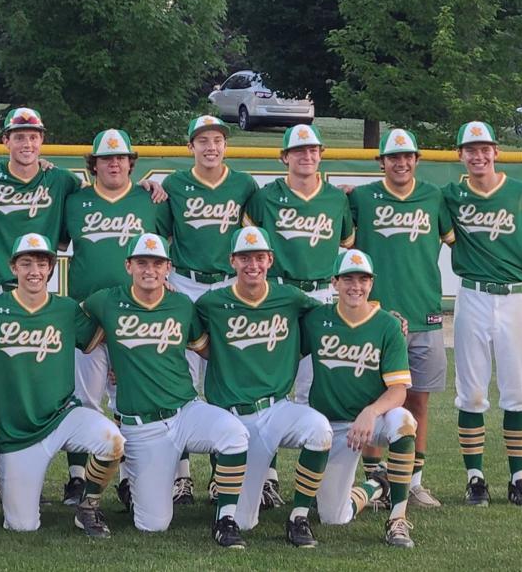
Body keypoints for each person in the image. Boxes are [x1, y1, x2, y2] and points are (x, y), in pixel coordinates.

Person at [0, 233, 125, 538]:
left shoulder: (66, 309)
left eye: (42, 264)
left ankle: (88, 505)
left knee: (113, 442)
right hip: (18, 435)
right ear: (13, 267)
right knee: (22, 526)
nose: (34, 270)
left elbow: (99, 338)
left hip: (63, 416)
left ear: (51, 269)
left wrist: (120, 364)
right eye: (26, 262)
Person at [80, 233, 249, 548]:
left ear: (168, 268)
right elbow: (79, 325)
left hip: (186, 410)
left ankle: (225, 518)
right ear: (128, 265)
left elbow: (206, 348)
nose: (150, 270)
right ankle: (99, 495)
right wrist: (113, 359)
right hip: (143, 426)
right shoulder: (106, 300)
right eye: (142, 262)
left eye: (157, 263)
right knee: (153, 525)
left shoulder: (181, 303)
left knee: (234, 433)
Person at [0, 108, 82, 506]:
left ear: (42, 141)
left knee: (55, 386)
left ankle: (77, 477)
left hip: (39, 294)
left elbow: (84, 214)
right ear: (6, 141)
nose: (27, 143)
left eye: (33, 136)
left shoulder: (61, 179)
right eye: (19, 135)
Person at [191, 226, 332, 547]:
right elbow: (173, 334)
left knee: (319, 429)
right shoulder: (211, 302)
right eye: (244, 258)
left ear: (270, 259)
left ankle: (299, 517)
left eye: (258, 257)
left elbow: (332, 320)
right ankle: (226, 516)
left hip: (276, 408)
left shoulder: (290, 297)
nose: (252, 264)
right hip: (232, 415)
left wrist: (386, 316)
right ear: (232, 261)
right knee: (244, 521)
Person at [445, 121, 522, 507]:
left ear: (496, 151)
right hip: (472, 296)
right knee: (471, 394)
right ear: (460, 154)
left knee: (516, 394)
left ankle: (518, 479)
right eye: (470, 149)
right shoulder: (451, 195)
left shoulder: (521, 193)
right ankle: (475, 478)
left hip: (515, 300)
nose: (478, 155)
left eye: (485, 148)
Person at [243, 123, 352, 505]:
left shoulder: (336, 199)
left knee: (313, 387)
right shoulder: (265, 197)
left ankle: (313, 484)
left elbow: (346, 243)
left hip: (322, 293)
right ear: (284, 157)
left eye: (313, 150)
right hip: (281, 295)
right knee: (270, 384)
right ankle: (267, 475)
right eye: (299, 151)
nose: (307, 156)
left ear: (321, 155)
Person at [61, 128, 170, 505]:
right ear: (93, 165)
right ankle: (78, 477)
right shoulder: (74, 202)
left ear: (131, 163)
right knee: (83, 400)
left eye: (121, 157)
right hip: (87, 313)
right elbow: (58, 243)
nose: (114, 163)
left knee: (131, 401)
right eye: (106, 158)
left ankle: (129, 478)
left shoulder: (150, 199)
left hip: (137, 315)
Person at [347, 128, 452, 508]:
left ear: (416, 161)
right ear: (381, 162)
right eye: (394, 157)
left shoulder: (433, 197)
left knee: (418, 401)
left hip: (424, 312)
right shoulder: (361, 198)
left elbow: (457, 239)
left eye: (408, 157)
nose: (401, 163)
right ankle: (375, 479)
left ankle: (413, 480)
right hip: (376, 316)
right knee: (376, 397)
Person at [162, 114, 259, 505]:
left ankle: (224, 472)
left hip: (226, 284)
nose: (211, 147)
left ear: (225, 145)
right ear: (190, 147)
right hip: (184, 282)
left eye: (217, 139)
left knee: (226, 376)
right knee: (180, 379)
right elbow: (155, 232)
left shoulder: (244, 184)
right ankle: (181, 475)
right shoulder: (173, 184)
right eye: (202, 141)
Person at [305, 249, 417, 548]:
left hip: (373, 419)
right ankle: (378, 484)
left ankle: (397, 519)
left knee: (404, 422)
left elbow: (399, 390)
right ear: (335, 283)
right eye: (348, 279)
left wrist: (371, 411)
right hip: (335, 427)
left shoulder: (387, 325)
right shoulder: (316, 319)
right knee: (333, 517)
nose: (356, 286)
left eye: (363, 279)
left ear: (372, 283)